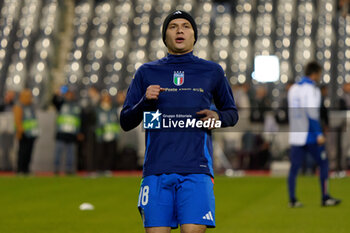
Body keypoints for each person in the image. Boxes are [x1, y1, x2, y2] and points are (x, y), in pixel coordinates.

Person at [120, 10, 238, 233]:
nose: (180, 30)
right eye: (173, 26)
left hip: (197, 169)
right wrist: (144, 102)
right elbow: (126, 121)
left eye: (186, 26)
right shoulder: (146, 72)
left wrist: (218, 118)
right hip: (156, 171)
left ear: (194, 35)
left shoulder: (211, 71)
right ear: (165, 36)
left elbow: (232, 113)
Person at [287, 61, 341, 207]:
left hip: (296, 135)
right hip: (310, 135)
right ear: (315, 73)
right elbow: (311, 113)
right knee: (323, 163)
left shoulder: (293, 89)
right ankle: (325, 197)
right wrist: (319, 133)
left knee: (294, 168)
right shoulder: (311, 90)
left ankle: (292, 200)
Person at [52, 88, 82, 175]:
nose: (69, 96)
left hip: (72, 133)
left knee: (71, 153)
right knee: (58, 152)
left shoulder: (76, 106)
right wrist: (57, 94)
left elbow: (80, 120)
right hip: (61, 132)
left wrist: (79, 132)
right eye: (68, 94)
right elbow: (54, 101)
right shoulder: (61, 104)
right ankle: (56, 168)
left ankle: (69, 169)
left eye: (71, 94)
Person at [13, 89, 39, 174]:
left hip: (32, 133)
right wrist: (20, 131)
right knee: (22, 152)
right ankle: (20, 169)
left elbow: (34, 119)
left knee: (29, 152)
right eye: (27, 96)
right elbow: (17, 120)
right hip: (24, 133)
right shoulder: (19, 106)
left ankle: (26, 169)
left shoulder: (31, 106)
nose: (29, 98)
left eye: (30, 96)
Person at [94, 92, 120, 174]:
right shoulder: (98, 110)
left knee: (110, 154)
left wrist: (116, 134)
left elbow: (116, 122)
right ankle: (99, 169)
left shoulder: (113, 110)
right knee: (100, 153)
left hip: (111, 135)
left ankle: (107, 169)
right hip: (102, 135)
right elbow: (96, 123)